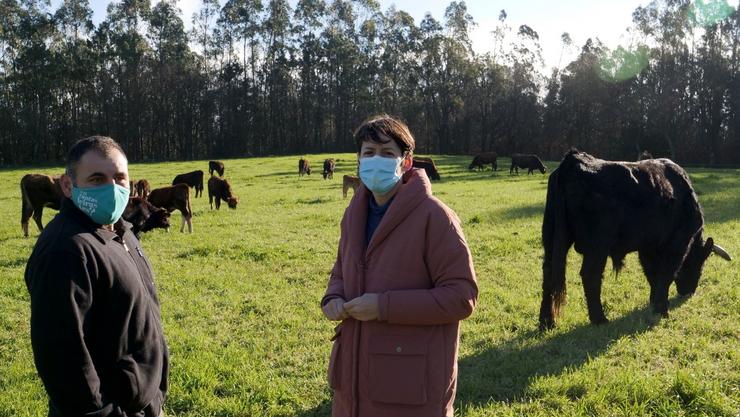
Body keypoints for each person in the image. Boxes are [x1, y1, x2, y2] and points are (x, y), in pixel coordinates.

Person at [321, 115, 478, 417]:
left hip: (410, 390)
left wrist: (384, 306)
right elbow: (341, 269)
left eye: (387, 153)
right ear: (358, 160)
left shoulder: (435, 217)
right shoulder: (354, 214)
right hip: (352, 386)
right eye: (368, 153)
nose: (376, 161)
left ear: (406, 162)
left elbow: (462, 296)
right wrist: (333, 297)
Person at [24, 136, 169, 417]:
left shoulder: (121, 231)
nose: (111, 189)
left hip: (143, 403)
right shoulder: (65, 251)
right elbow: (63, 362)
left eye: (119, 178)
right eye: (97, 179)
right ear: (68, 186)